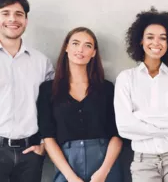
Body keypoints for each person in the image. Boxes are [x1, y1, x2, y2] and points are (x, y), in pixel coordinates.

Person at [114, 8, 168, 182]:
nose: (156, 42)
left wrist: (140, 116)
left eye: (163, 38)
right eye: (150, 37)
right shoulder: (126, 78)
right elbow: (124, 127)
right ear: (140, 41)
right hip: (143, 161)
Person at [37, 27, 122, 182]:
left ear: (94, 53)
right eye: (75, 43)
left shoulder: (106, 88)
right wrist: (71, 177)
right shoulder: (48, 89)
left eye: (88, 45)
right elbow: (48, 137)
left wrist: (103, 172)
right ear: (66, 47)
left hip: (104, 163)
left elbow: (117, 134)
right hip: (66, 164)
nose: (80, 49)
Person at [0, 0, 54, 181]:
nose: (12, 19)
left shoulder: (41, 62)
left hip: (30, 153)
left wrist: (44, 143)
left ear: (26, 20)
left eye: (18, 14)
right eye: (5, 13)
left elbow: (51, 106)